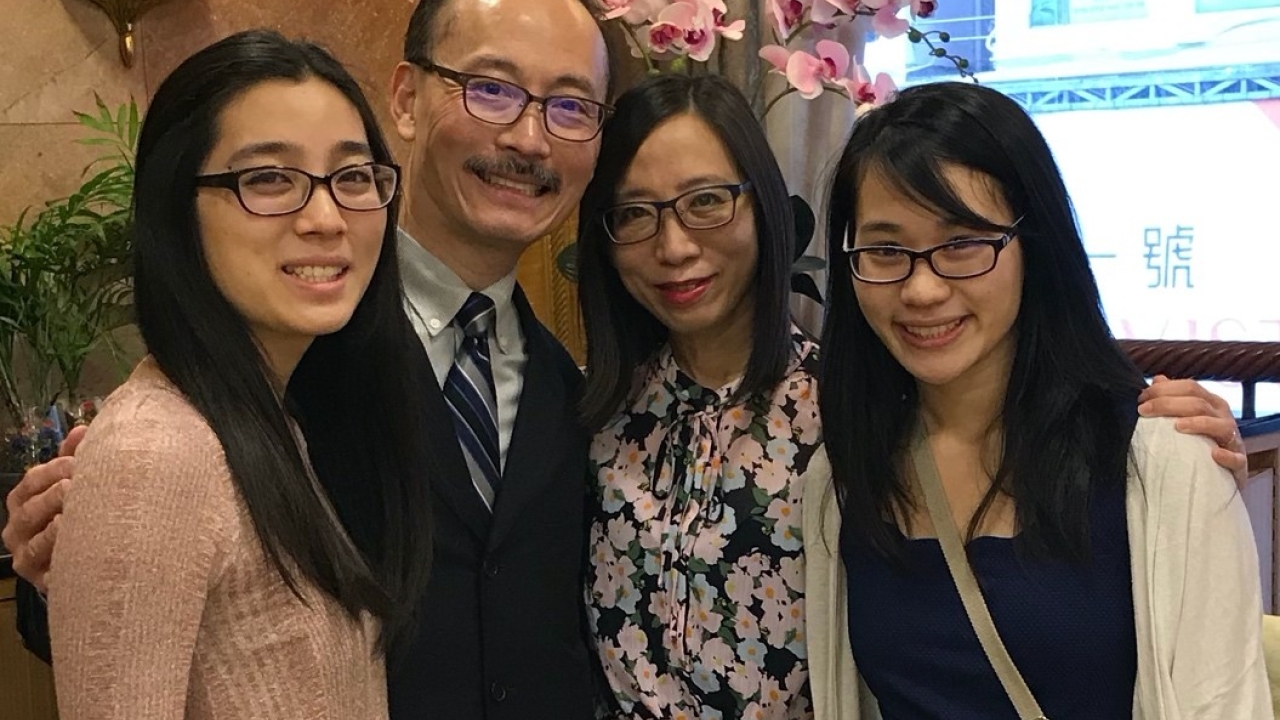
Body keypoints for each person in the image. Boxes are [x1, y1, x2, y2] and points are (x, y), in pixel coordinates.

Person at [0, 1, 1248, 715]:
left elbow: (978, 398)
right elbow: (164, 587)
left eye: (567, 107)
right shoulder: (298, 344)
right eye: (491, 91)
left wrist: (1132, 427)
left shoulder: (588, 388)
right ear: (409, 98)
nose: (528, 138)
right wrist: (71, 536)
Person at [805, 81, 1269, 719]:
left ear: (1034, 244)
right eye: (885, 251)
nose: (920, 288)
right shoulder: (842, 479)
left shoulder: (1163, 465)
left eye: (963, 243)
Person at [45, 29, 436, 719]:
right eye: (268, 179)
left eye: (352, 177)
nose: (325, 217)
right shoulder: (157, 452)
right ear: (177, 209)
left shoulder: (278, 416)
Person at [578, 73, 820, 718]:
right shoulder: (596, 418)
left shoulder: (846, 411)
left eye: (707, 201)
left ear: (761, 202)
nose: (674, 247)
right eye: (634, 214)